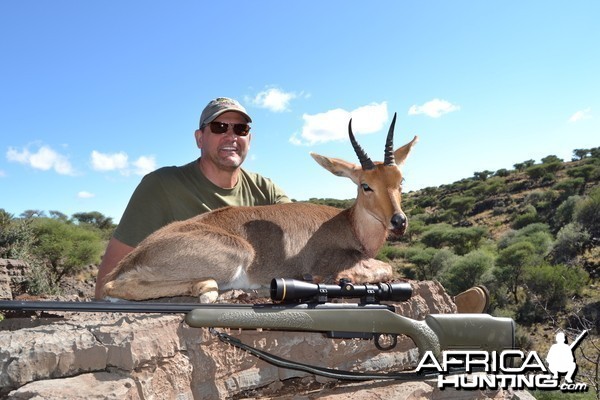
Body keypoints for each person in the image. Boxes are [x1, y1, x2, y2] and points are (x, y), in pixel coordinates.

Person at [95, 97, 290, 299]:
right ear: (199, 138)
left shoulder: (266, 190)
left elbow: (301, 233)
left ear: (249, 139)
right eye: (219, 127)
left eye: (241, 129)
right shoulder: (162, 184)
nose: (231, 136)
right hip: (176, 310)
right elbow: (110, 279)